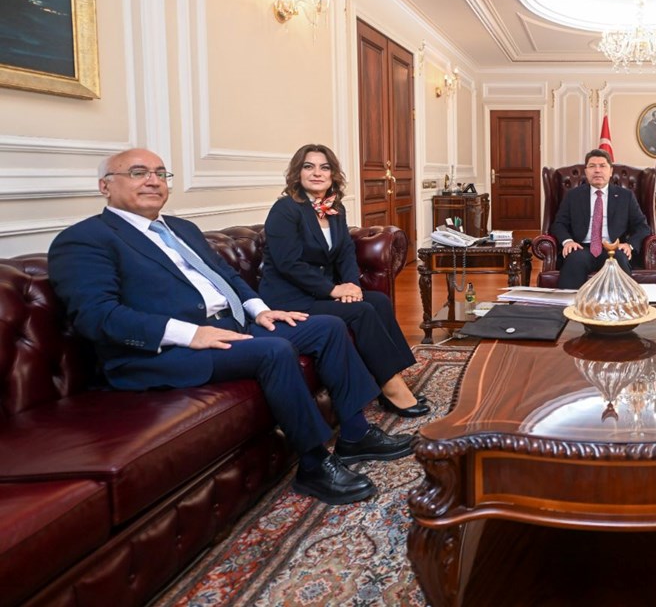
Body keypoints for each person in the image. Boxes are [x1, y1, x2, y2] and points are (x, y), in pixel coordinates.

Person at [47, 148, 413, 506]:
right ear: (105, 186)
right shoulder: (84, 239)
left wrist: (260, 310)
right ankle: (314, 465)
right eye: (138, 173)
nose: (153, 181)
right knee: (275, 350)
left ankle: (355, 435)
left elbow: (227, 276)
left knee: (328, 327)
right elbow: (97, 316)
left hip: (233, 327)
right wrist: (192, 333)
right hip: (167, 349)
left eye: (161, 174)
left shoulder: (182, 229)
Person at [259, 144, 429, 419]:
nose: (317, 173)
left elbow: (346, 253)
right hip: (290, 297)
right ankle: (392, 389)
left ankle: (390, 377)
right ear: (298, 173)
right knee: (361, 311)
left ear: (333, 174)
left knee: (378, 301)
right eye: (309, 166)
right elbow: (289, 264)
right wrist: (333, 289)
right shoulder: (285, 210)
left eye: (324, 167)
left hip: (320, 293)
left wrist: (352, 286)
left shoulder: (334, 208)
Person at [550, 149, 652, 289]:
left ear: (610, 171)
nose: (597, 170)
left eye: (602, 166)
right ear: (586, 171)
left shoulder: (626, 196)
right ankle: (570, 302)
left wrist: (629, 245)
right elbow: (559, 224)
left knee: (619, 260)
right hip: (581, 247)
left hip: (613, 248)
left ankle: (620, 301)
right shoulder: (573, 196)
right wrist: (568, 241)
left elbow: (642, 227)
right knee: (575, 260)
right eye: (592, 166)